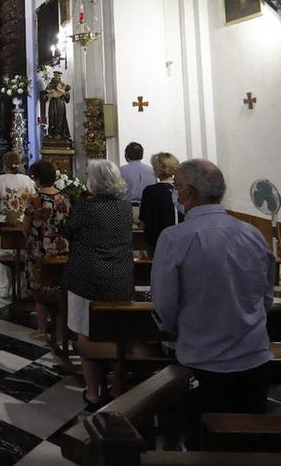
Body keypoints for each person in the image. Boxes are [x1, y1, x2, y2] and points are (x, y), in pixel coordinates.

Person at [150, 159, 277, 449]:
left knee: (203, 444)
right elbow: (266, 294)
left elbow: (165, 305)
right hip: (254, 358)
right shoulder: (252, 233)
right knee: (248, 442)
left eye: (176, 186)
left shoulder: (175, 238)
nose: (175, 192)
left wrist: (171, 328)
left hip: (202, 361)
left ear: (189, 193)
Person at [62, 159, 133, 409]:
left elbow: (68, 230)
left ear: (94, 181)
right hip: (119, 277)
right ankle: (118, 386)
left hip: (87, 277)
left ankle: (92, 392)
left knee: (86, 332)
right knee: (116, 333)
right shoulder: (125, 208)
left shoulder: (85, 208)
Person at [25, 159, 71, 342]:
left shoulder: (35, 200)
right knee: (59, 289)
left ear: (37, 179)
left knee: (40, 289)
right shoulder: (64, 197)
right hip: (61, 246)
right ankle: (59, 332)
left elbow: (26, 227)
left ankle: (42, 330)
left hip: (40, 247)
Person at [0, 151, 36, 294]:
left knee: (4, 256)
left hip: (5, 225)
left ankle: (4, 289)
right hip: (23, 225)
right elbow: (34, 199)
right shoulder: (27, 180)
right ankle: (22, 288)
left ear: (4, 165)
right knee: (23, 256)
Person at [138, 152, 180, 255]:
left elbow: (144, 221)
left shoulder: (150, 191)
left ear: (156, 169)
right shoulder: (181, 189)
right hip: (181, 240)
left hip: (158, 242)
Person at [119, 142, 157, 210]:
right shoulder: (152, 170)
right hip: (148, 208)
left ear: (126, 155)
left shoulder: (121, 170)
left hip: (127, 208)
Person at [42, 71, 71, 139]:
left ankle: (58, 133)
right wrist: (47, 95)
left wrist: (64, 93)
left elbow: (67, 98)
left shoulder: (63, 85)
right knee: (51, 118)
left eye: (58, 76)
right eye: (56, 76)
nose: (57, 77)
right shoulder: (50, 85)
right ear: (54, 76)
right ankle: (51, 133)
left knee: (60, 119)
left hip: (60, 104)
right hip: (53, 103)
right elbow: (45, 96)